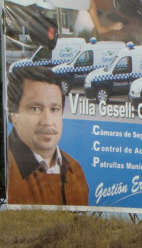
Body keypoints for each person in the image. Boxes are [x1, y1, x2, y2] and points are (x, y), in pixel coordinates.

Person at [7, 66, 88, 205]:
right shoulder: (6, 169)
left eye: (55, 109)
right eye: (35, 109)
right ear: (14, 115)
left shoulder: (75, 170)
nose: (48, 122)